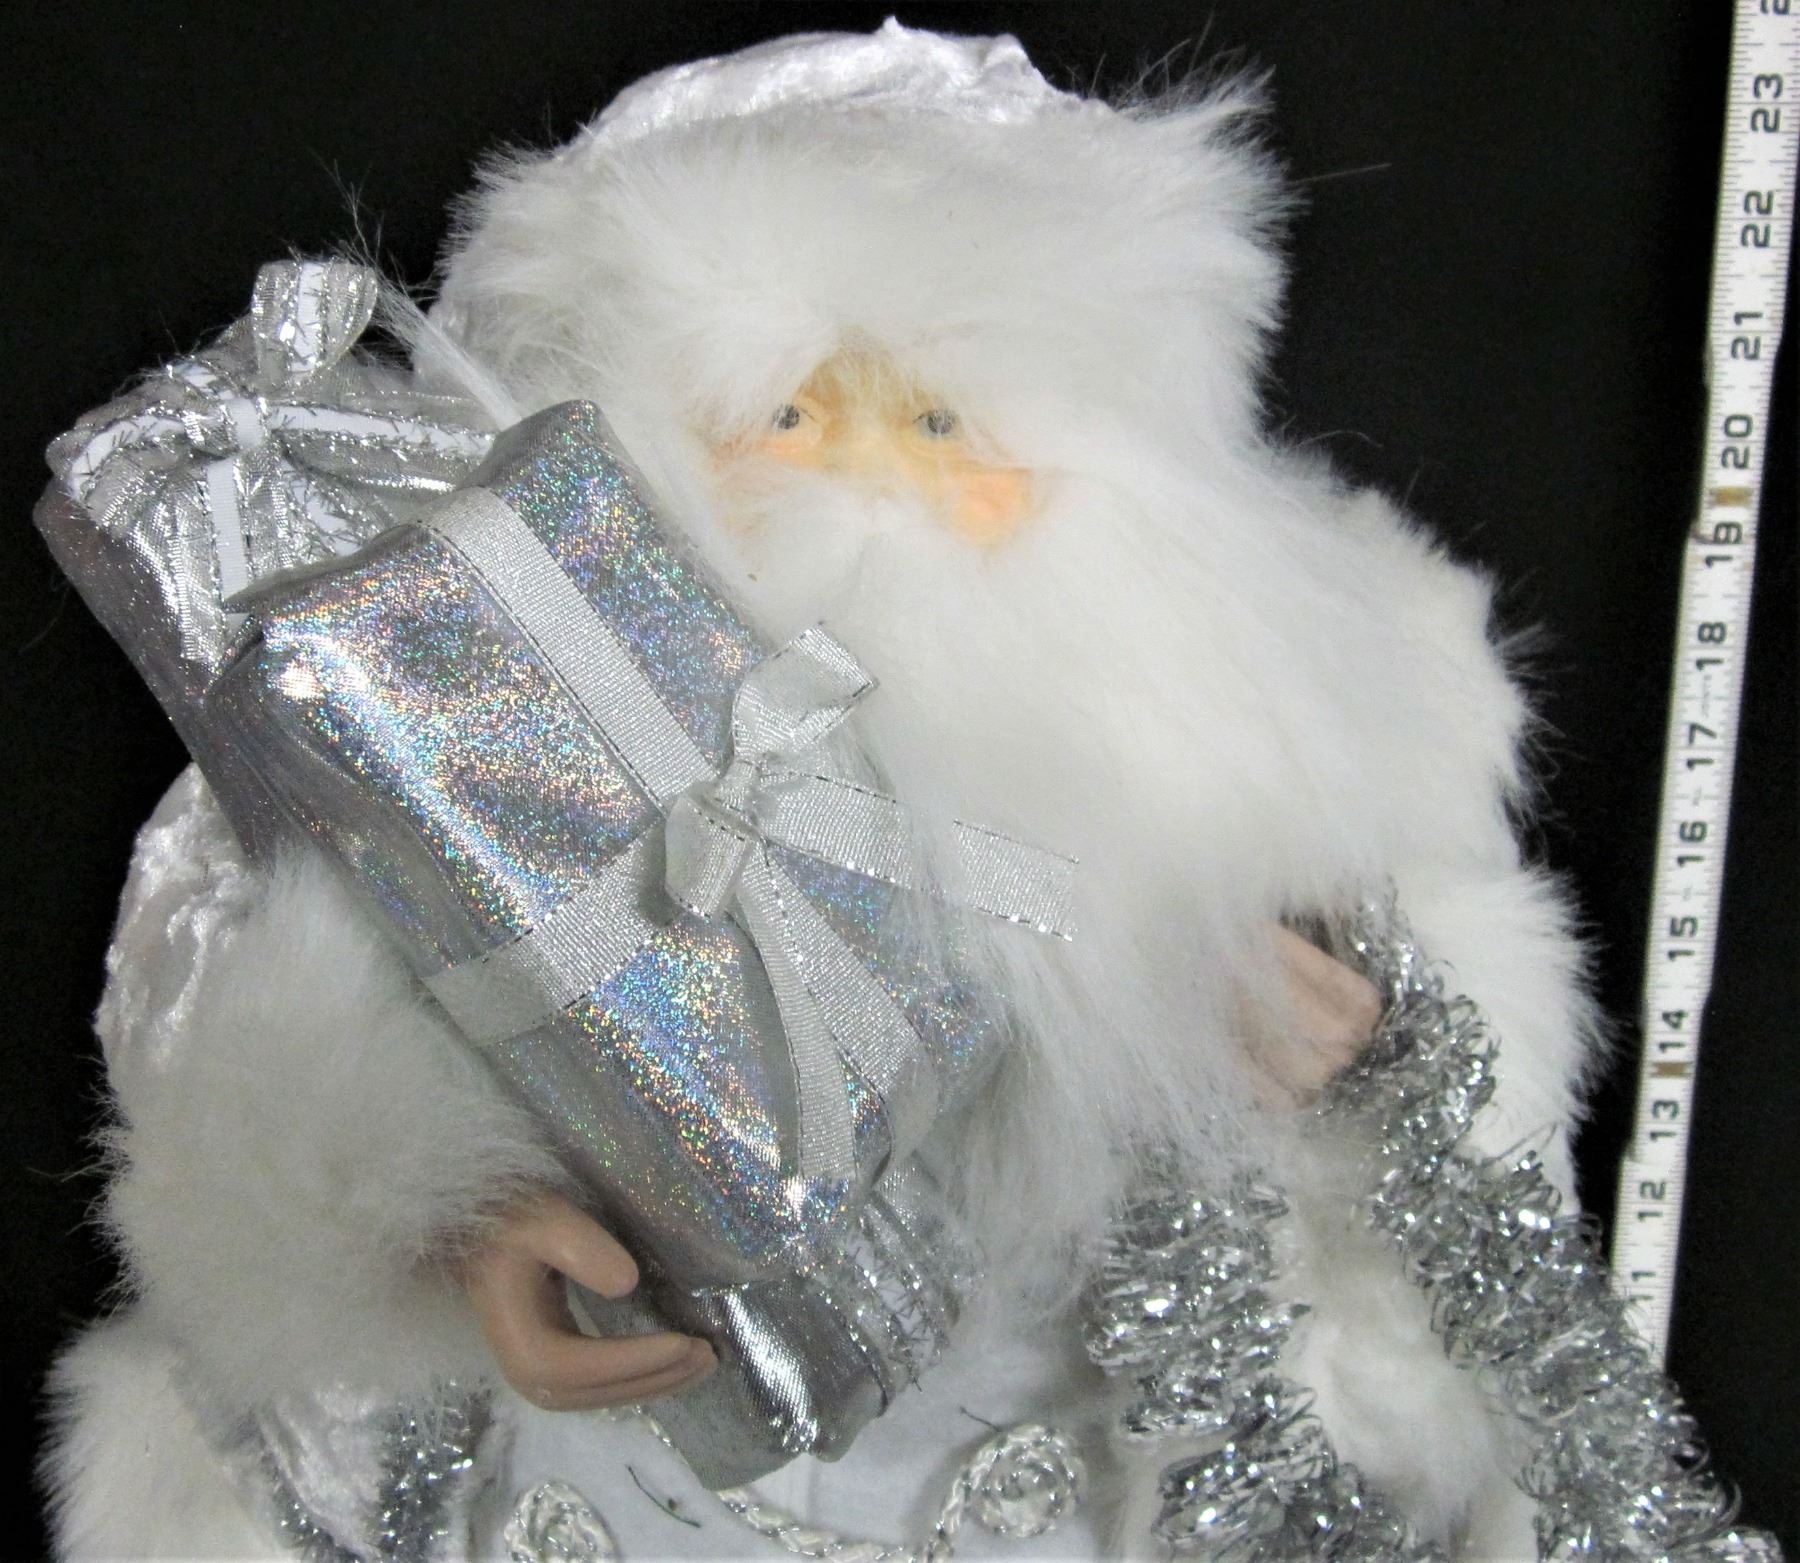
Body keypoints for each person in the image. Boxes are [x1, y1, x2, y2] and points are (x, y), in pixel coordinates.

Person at [45, 22, 1596, 1559]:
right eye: (786, 418)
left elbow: (1463, 1079)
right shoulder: (442, 718)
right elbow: (231, 1011)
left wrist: (1332, 1033)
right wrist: (446, 1218)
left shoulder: (1288, 710)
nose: (871, 490)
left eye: (941, 422)